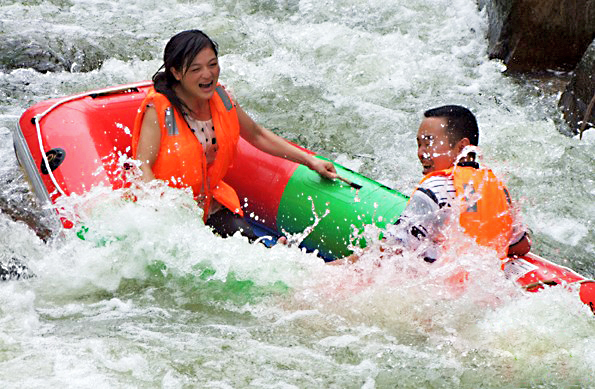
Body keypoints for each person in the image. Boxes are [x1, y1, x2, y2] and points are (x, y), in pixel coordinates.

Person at [131, 29, 337, 240]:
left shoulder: (222, 98)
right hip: (174, 211)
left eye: (212, 64)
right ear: (176, 73)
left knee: (247, 240)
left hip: (210, 204)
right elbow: (142, 165)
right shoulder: (159, 111)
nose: (208, 74)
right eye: (196, 69)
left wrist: (310, 161)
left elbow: (257, 135)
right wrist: (162, 213)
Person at [339, 105, 531, 265]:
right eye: (419, 144)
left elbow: (389, 251)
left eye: (429, 144)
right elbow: (522, 245)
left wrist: (336, 267)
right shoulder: (496, 188)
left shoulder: (435, 188)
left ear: (462, 148)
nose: (421, 153)